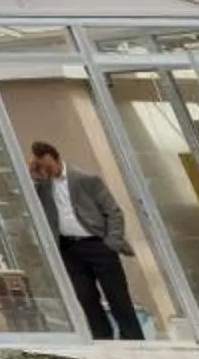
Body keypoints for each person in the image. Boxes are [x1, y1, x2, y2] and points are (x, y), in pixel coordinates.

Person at [29, 141, 147, 340]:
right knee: (86, 298)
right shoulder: (43, 186)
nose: (47, 171)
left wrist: (112, 242)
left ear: (56, 158)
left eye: (48, 166)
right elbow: (33, 208)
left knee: (117, 296)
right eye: (42, 167)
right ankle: (102, 338)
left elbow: (114, 212)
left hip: (97, 244)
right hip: (69, 248)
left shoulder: (86, 179)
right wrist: (35, 179)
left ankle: (133, 339)